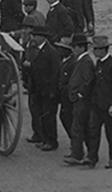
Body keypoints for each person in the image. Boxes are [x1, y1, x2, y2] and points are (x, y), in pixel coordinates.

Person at [23, 27, 61, 152]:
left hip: (48, 91)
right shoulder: (34, 49)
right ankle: (44, 139)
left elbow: (55, 73)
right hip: (37, 89)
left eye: (36, 36)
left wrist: (53, 91)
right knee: (40, 115)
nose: (33, 38)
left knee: (48, 116)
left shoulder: (51, 52)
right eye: (33, 35)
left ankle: (51, 141)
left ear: (43, 37)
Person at [65, 32, 96, 165]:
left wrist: (80, 94)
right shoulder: (82, 60)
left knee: (77, 126)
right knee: (82, 126)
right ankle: (88, 154)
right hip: (79, 99)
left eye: (75, 47)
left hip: (81, 100)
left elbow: (88, 81)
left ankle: (77, 155)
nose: (73, 49)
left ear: (82, 48)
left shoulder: (86, 61)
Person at [87, 34, 112, 168]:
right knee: (93, 132)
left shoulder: (110, 64)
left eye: (96, 49)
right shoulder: (99, 63)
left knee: (110, 134)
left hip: (108, 106)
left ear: (103, 50)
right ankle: (92, 158)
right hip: (97, 104)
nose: (94, 52)